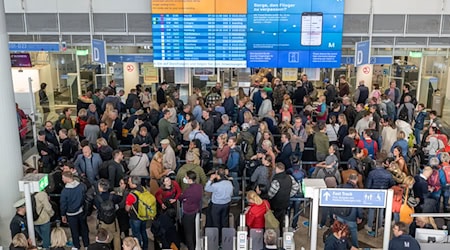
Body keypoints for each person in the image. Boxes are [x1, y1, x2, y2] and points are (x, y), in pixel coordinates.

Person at [366, 154, 396, 237]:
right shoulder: (388, 174)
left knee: (371, 210)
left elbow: (368, 185)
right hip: (384, 194)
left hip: (373, 194)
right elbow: (392, 184)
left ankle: (369, 226)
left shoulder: (371, 173)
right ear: (383, 164)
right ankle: (379, 227)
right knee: (381, 211)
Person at [60, 171, 90, 249]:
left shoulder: (65, 191)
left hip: (71, 214)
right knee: (84, 229)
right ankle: (86, 245)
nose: (62, 180)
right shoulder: (81, 186)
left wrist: (63, 215)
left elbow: (63, 204)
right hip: (81, 211)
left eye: (63, 178)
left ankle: (76, 245)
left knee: (74, 231)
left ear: (67, 178)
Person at [125, 176, 156, 250]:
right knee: (143, 231)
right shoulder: (144, 189)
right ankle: (145, 247)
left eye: (129, 181)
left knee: (136, 234)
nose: (128, 182)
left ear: (133, 184)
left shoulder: (131, 195)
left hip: (135, 217)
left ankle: (138, 248)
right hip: (144, 216)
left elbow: (127, 208)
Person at [268, 163, 300, 233]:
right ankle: (282, 235)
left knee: (274, 222)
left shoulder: (276, 181)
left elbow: (271, 194)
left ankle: (274, 235)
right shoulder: (290, 177)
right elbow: (296, 187)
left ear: (277, 169)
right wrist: (289, 194)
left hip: (276, 205)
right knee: (283, 221)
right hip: (285, 203)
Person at [205, 167, 233, 242]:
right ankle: (225, 239)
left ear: (217, 175)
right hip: (226, 205)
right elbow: (231, 193)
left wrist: (210, 179)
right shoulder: (229, 183)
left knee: (216, 222)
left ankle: (217, 240)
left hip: (216, 206)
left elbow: (206, 188)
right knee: (225, 222)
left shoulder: (215, 185)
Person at [179, 171, 203, 250]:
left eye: (186, 177)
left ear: (189, 179)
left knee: (188, 233)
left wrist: (183, 197)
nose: (184, 179)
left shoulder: (188, 191)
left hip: (188, 212)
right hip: (196, 210)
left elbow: (181, 198)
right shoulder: (199, 186)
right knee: (194, 231)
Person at [95, 179, 121, 250]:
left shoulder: (97, 198)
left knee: (102, 236)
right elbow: (120, 199)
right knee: (116, 236)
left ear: (100, 187)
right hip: (113, 221)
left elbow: (96, 207)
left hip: (102, 221)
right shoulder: (113, 197)